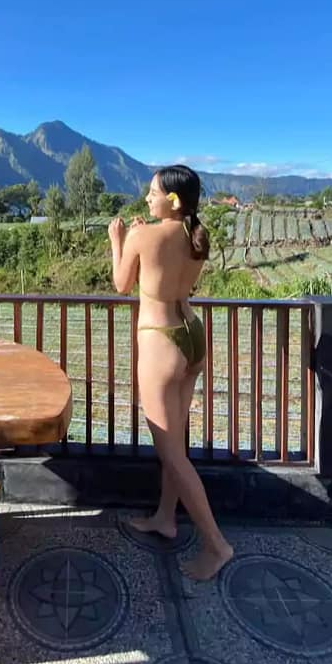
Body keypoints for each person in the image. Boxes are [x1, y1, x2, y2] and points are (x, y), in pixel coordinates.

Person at [108, 165, 233, 581]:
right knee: (176, 440)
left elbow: (121, 284)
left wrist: (118, 241)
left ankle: (216, 545)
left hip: (160, 341)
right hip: (191, 334)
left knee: (171, 454)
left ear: (173, 200)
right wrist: (142, 234)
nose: (147, 197)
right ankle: (166, 516)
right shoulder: (194, 234)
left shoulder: (143, 236)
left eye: (153, 192)